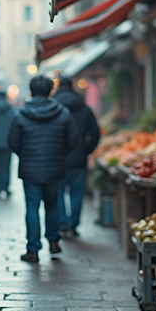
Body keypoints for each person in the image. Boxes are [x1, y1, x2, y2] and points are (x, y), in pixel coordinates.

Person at [8, 75, 79, 263]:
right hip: (55, 167)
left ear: (31, 91)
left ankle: (32, 249)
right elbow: (73, 140)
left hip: (30, 169)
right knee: (53, 204)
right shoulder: (63, 113)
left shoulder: (21, 114)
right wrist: (59, 153)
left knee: (32, 206)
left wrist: (26, 155)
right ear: (50, 91)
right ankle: (54, 242)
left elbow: (13, 142)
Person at [54, 78, 101, 238]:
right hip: (79, 159)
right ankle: (73, 225)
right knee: (77, 192)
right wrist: (86, 150)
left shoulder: (53, 107)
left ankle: (62, 223)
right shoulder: (85, 108)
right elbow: (95, 134)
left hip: (57, 159)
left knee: (58, 193)